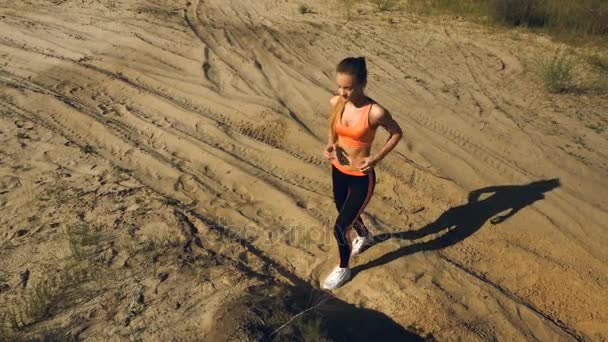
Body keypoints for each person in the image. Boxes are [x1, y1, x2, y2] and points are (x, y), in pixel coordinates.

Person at [321, 56, 403, 290]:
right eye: (340, 86)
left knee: (340, 226)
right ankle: (365, 235)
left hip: (360, 178)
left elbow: (396, 133)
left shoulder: (375, 112)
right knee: (343, 210)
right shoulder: (336, 102)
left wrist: (376, 158)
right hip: (338, 170)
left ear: (363, 83)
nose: (342, 92)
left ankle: (343, 268)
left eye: (348, 87)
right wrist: (330, 144)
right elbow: (332, 128)